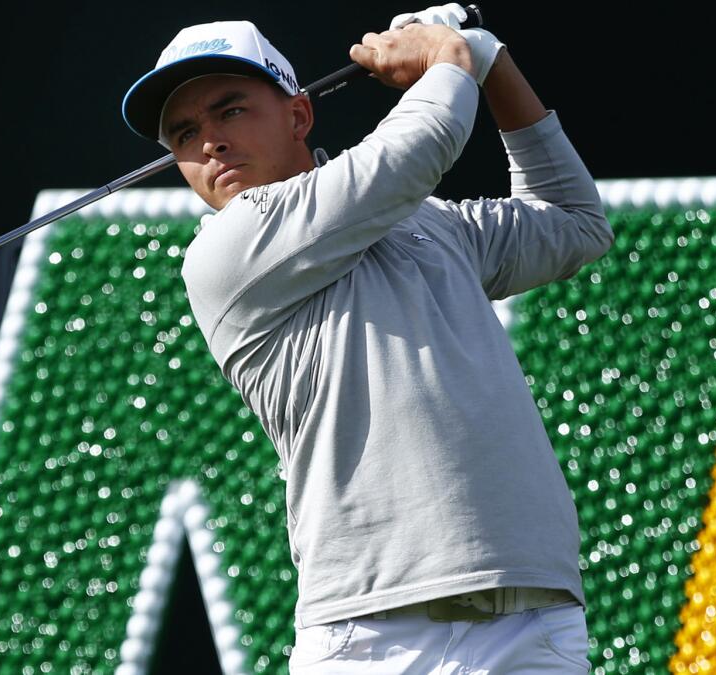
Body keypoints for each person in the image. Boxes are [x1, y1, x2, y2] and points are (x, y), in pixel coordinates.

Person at [122, 4, 612, 673]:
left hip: (529, 619)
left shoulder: (429, 223)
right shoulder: (228, 251)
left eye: (230, 110)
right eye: (183, 133)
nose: (209, 141)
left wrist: (490, 59)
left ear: (298, 115)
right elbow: (421, 143)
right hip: (369, 632)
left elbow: (574, 222)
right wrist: (449, 57)